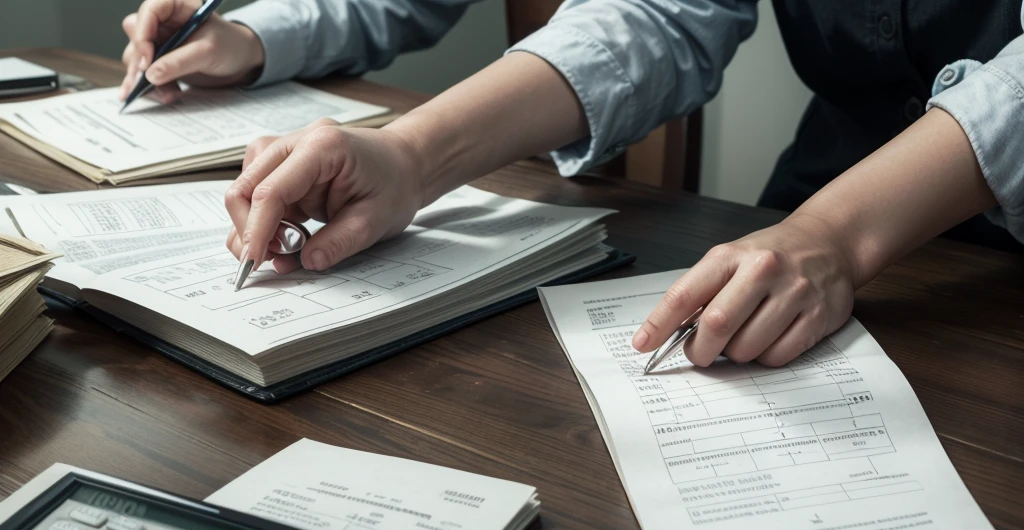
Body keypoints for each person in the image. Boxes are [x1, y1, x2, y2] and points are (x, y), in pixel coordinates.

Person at [118, 0, 1024, 368]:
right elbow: (664, 12)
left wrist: (835, 234)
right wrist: (412, 154)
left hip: (868, 235)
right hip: (801, 230)